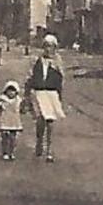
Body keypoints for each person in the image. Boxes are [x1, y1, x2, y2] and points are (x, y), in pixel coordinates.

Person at [26, 33, 67, 162]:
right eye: (46, 46)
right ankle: (39, 141)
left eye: (51, 46)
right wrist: (27, 92)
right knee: (40, 120)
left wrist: (59, 95)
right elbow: (31, 76)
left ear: (55, 48)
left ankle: (49, 149)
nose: (48, 49)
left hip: (51, 93)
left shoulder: (57, 61)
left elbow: (61, 79)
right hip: (39, 92)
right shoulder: (38, 60)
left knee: (50, 122)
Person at [0, 80, 23, 160]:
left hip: (14, 122)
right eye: (9, 91)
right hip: (4, 121)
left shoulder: (18, 100)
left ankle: (11, 152)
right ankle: (5, 152)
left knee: (13, 138)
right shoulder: (2, 100)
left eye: (13, 91)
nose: (11, 93)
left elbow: (22, 109)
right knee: (5, 138)